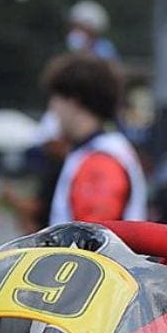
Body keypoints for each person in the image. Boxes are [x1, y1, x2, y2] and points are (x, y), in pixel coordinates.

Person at [42, 52, 146, 225]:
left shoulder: (100, 160)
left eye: (55, 99)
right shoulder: (93, 152)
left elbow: (92, 239)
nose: (52, 109)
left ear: (73, 101)